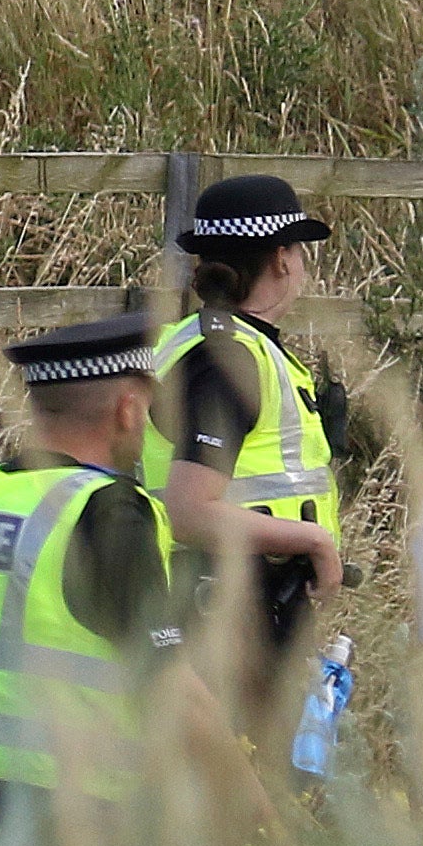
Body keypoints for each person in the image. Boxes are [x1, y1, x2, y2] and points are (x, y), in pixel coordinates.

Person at [0, 310, 184, 829]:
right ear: (128, 410)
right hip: (75, 805)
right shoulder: (109, 511)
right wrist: (266, 828)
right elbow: (174, 690)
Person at [147, 174, 348, 714]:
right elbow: (188, 511)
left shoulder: (197, 342)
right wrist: (314, 541)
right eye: (300, 251)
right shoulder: (229, 360)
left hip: (217, 598)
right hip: (228, 605)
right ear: (282, 258)